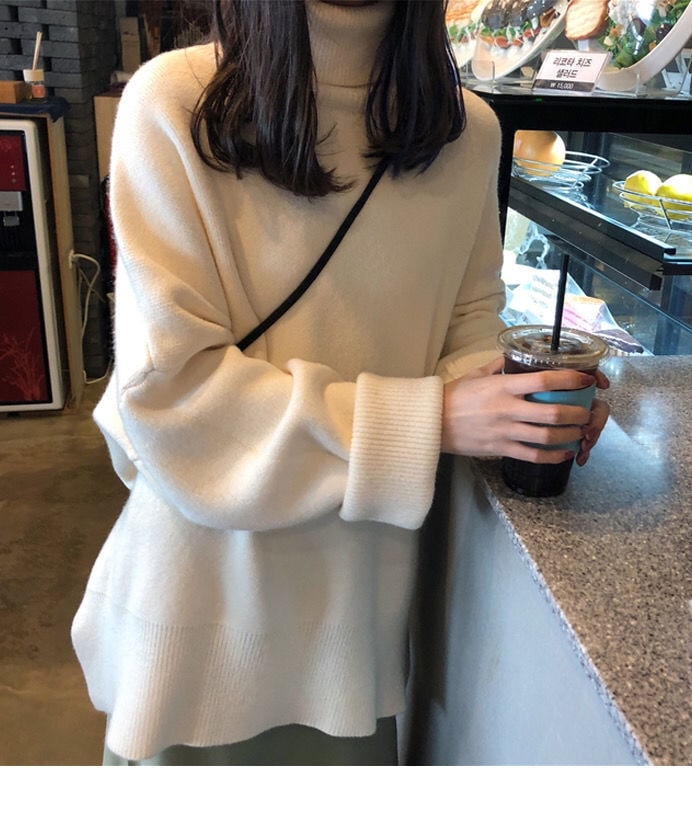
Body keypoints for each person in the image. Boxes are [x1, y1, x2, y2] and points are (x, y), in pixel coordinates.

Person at [72, 0, 609, 766]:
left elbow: (467, 329)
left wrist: (526, 397)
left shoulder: (466, 134)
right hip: (199, 622)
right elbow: (173, 397)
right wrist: (432, 420)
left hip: (356, 638)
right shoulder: (175, 104)